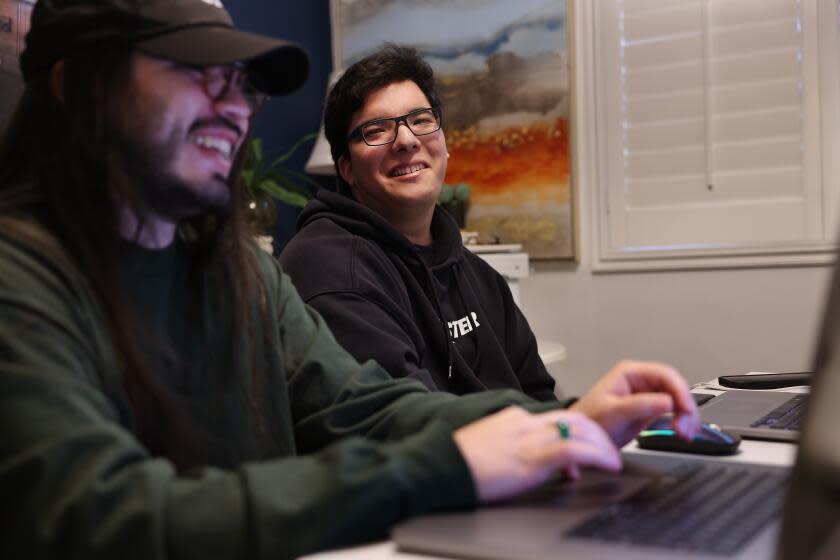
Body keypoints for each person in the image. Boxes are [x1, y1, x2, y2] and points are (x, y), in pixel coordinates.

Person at [0, 2, 699, 559]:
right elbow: (101, 519)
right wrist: (447, 467)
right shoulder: (21, 277)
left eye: (240, 82)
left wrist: (565, 427)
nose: (234, 104)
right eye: (193, 69)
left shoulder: (238, 269)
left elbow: (364, 405)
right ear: (77, 84)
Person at [280, 45, 555, 400]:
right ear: (346, 168)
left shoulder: (480, 277)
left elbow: (540, 394)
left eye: (421, 120)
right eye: (376, 130)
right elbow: (407, 422)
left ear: (444, 142)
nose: (407, 140)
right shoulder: (331, 270)